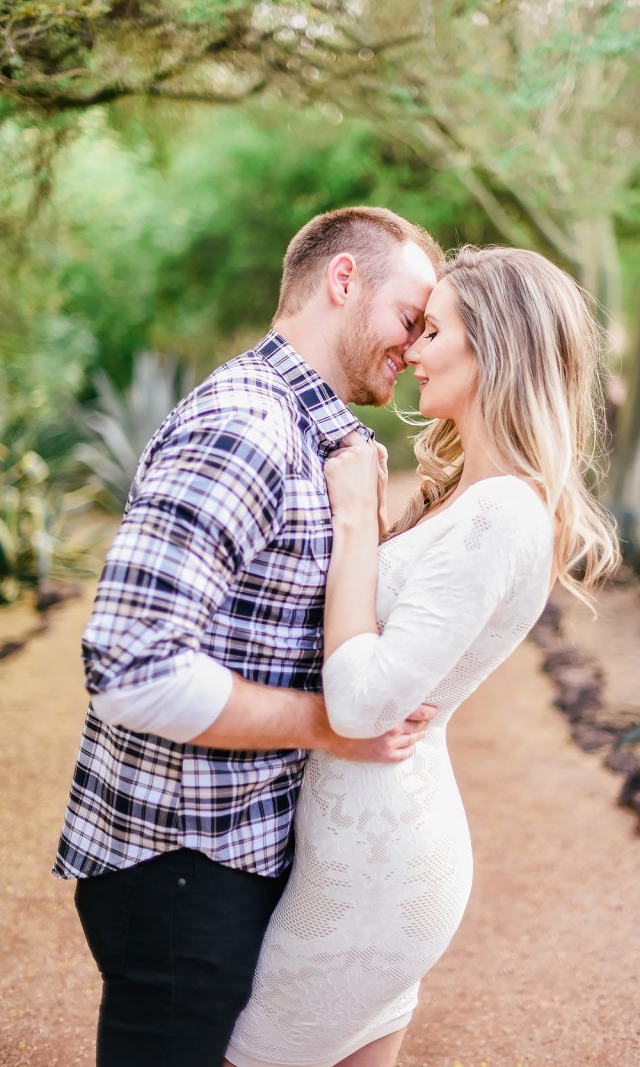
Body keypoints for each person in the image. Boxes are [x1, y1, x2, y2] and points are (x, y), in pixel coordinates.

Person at [54, 206, 445, 1067]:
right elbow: (131, 666)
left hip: (230, 859)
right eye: (410, 319)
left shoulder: (319, 436)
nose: (416, 349)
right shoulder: (247, 426)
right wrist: (331, 724)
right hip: (180, 873)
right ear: (344, 280)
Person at [224, 245, 621, 1067]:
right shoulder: (477, 499)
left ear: (495, 349)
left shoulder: (501, 511)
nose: (409, 351)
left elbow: (363, 705)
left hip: (373, 872)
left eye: (433, 330)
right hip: (364, 850)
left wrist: (359, 517)